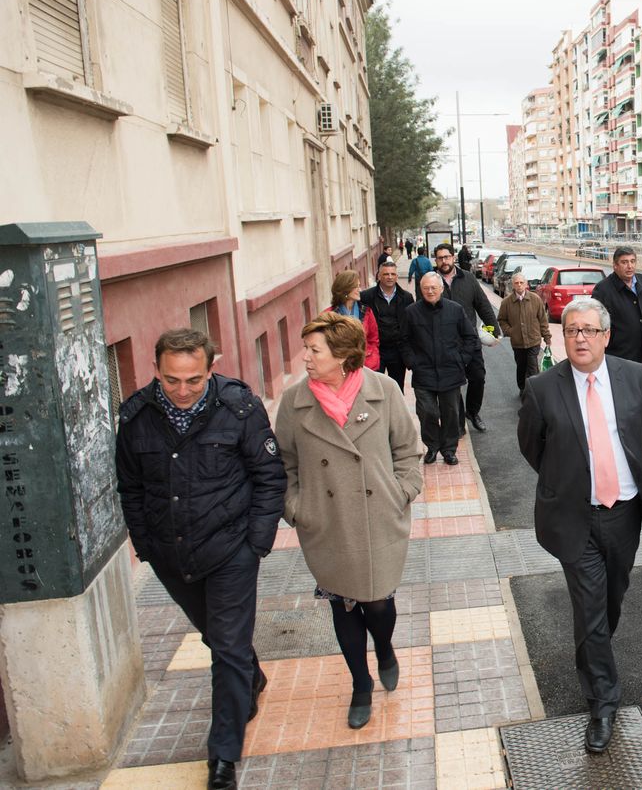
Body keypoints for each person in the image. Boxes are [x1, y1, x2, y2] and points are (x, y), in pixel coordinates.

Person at [115, 329, 285, 790]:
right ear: (156, 370)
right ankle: (250, 677)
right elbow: (130, 488)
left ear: (211, 369)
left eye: (193, 379)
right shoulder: (135, 418)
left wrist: (256, 543)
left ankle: (223, 757)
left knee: (226, 647)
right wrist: (146, 544)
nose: (183, 390)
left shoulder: (239, 410)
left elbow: (270, 477)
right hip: (172, 555)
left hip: (232, 551)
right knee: (217, 636)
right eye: (171, 380)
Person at [517, 297, 642, 755]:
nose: (581, 338)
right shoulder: (542, 388)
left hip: (624, 512)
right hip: (573, 517)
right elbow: (533, 449)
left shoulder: (637, 377)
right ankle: (603, 702)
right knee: (589, 609)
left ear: (606, 336)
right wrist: (568, 480)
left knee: (611, 600)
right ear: (562, 336)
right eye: (572, 331)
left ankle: (593, 653)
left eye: (589, 330)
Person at [276, 313, 422, 730]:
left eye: (313, 349)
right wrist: (297, 508)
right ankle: (361, 684)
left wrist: (403, 491)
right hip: (327, 523)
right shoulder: (295, 401)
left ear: (342, 356)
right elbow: (283, 464)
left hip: (378, 516)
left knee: (378, 603)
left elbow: (407, 450)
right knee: (342, 604)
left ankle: (386, 648)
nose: (304, 357)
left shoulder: (384, 391)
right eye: (306, 348)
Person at [402, 273, 477, 465]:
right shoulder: (411, 312)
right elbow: (403, 341)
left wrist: (462, 360)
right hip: (424, 372)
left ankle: (449, 450)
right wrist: (412, 362)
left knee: (451, 413)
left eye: (434, 287)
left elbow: (470, 337)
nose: (430, 291)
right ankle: (432, 447)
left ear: (442, 289)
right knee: (427, 412)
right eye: (426, 288)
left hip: (451, 372)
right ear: (421, 289)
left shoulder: (456, 310)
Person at [432, 242, 497, 432]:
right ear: (436, 260)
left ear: (453, 257)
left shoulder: (468, 278)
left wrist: (493, 332)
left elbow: (483, 306)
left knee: (478, 378)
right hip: (446, 346)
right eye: (440, 258)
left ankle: (472, 412)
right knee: (453, 385)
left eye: (447, 257)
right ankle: (458, 421)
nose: (444, 261)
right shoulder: (431, 283)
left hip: (470, 342)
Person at [591, 246, 642, 366]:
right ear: (615, 265)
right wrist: (614, 342)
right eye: (624, 262)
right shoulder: (603, 289)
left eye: (632, 261)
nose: (630, 266)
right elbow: (596, 323)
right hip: (618, 357)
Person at [360, 260, 414, 391]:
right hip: (376, 350)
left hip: (397, 351)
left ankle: (395, 412)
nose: (389, 277)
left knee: (396, 388)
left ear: (396, 276)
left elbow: (411, 323)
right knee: (373, 387)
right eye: (386, 274)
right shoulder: (366, 296)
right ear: (379, 276)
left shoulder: (406, 297)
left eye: (392, 274)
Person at [497, 270, 552, 394]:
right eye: (516, 283)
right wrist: (510, 331)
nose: (519, 285)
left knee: (532, 366)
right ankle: (522, 387)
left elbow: (543, 319)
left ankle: (534, 391)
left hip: (534, 340)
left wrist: (547, 337)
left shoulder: (535, 299)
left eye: (522, 282)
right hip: (518, 342)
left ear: (526, 284)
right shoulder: (506, 302)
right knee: (521, 367)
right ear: (513, 285)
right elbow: (501, 319)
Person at [328, 269, 380, 371]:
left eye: (359, 286)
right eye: (355, 287)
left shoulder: (367, 312)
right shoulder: (329, 315)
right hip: (340, 368)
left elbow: (374, 339)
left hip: (366, 366)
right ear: (345, 290)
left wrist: (373, 358)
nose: (359, 290)